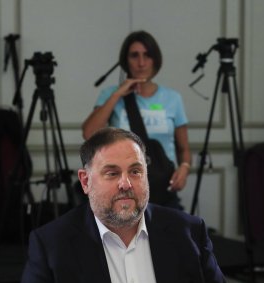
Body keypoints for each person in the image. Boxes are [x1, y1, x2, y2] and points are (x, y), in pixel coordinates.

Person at [10, 128, 231, 283]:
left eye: (135, 172)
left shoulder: (187, 232)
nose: (125, 184)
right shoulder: (53, 244)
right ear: (85, 181)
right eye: (112, 173)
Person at [82, 30, 191, 209]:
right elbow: (88, 133)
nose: (141, 63)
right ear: (125, 61)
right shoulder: (110, 95)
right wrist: (118, 94)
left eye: (147, 55)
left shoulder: (173, 98)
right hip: (123, 189)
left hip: (163, 187)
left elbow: (184, 148)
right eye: (134, 56)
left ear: (155, 59)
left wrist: (184, 168)